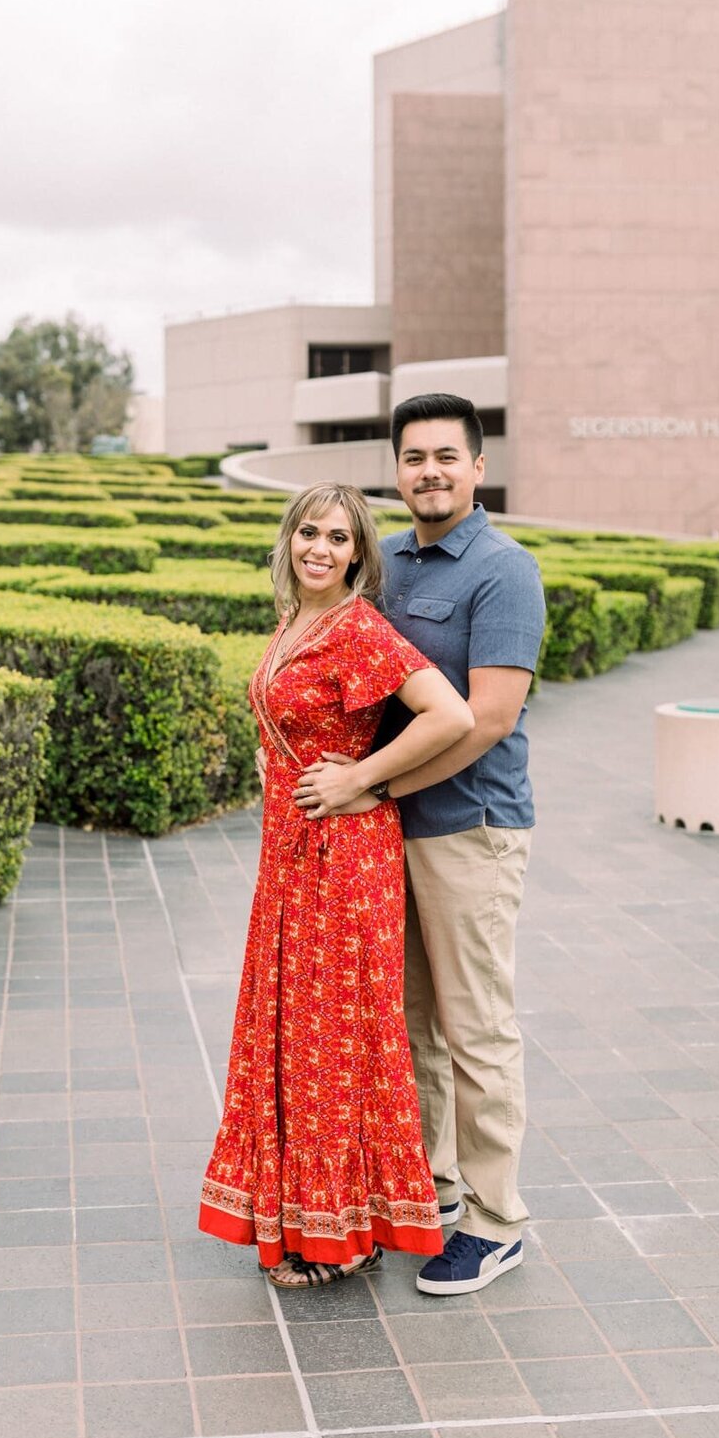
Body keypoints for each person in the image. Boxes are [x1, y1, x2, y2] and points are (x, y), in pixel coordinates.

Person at [296, 395, 546, 1297]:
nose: (429, 472)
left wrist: (368, 785)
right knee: (407, 1026)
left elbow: (487, 719)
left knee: (476, 1026)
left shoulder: (503, 571)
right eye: (413, 458)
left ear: (479, 467)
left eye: (447, 456)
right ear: (395, 471)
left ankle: (496, 1218)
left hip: (468, 828)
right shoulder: (382, 561)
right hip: (380, 836)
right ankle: (431, 1187)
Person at [199, 483, 475, 1287]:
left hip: (343, 857)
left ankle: (345, 1236)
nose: (320, 548)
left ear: (359, 554)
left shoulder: (357, 628)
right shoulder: (296, 621)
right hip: (288, 853)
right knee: (290, 1031)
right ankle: (303, 1217)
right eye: (308, 533)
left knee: (334, 1040)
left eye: (339, 538)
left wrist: (364, 777)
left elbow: (449, 716)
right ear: (289, 540)